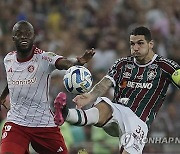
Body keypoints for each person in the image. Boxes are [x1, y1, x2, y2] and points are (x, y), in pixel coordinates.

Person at [54, 26, 180, 154]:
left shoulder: (165, 66)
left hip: (139, 121)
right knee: (104, 104)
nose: (135, 48)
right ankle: (65, 113)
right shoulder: (122, 64)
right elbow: (105, 84)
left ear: (151, 44)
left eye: (140, 43)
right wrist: (89, 96)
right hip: (117, 112)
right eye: (132, 44)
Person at [0, 20, 95, 154]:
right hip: (16, 123)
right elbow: (12, 80)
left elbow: (65, 63)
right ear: (13, 37)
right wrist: (3, 96)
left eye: (28, 33)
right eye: (19, 33)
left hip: (43, 123)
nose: (24, 36)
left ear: (34, 37)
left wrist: (78, 61)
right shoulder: (8, 59)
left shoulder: (44, 58)